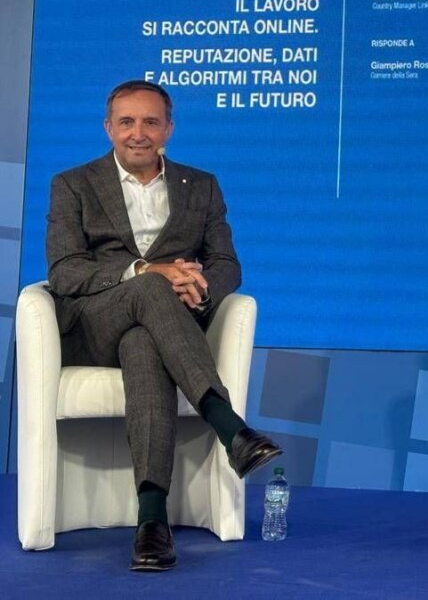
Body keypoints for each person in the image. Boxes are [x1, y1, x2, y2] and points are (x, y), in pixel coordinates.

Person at [46, 80, 282, 572]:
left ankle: (152, 523)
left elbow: (226, 263)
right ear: (108, 128)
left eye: (150, 122)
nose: (138, 133)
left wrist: (201, 288)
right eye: (126, 122)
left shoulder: (202, 185)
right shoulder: (73, 184)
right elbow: (65, 271)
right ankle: (229, 426)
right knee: (151, 285)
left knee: (143, 345)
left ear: (168, 129)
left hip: (161, 328)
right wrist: (145, 271)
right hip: (95, 325)